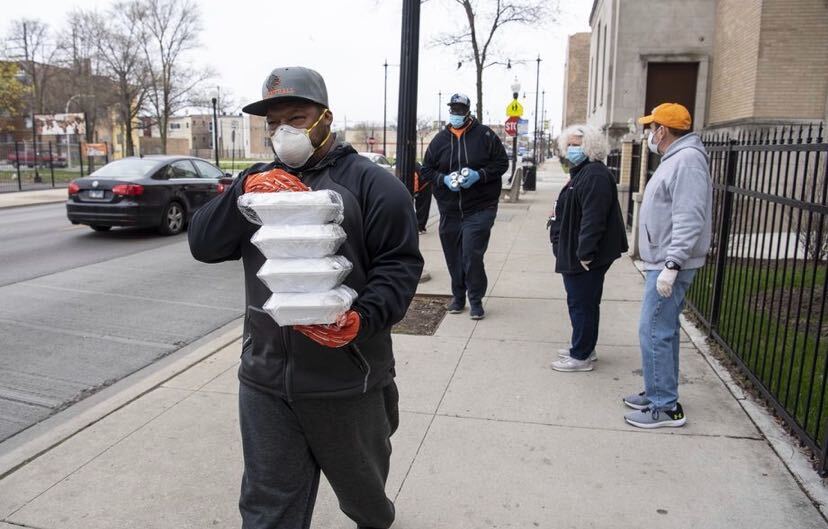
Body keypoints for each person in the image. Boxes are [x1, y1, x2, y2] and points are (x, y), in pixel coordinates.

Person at [188, 66, 424, 529]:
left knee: (365, 500)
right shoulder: (255, 186)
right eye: (274, 122)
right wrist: (242, 191)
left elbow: (399, 266)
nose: (284, 131)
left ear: (325, 118)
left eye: (297, 117)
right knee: (266, 506)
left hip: (347, 381)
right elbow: (203, 244)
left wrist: (363, 318)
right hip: (266, 380)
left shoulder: (373, 185)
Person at [623, 102, 712, 428]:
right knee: (662, 330)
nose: (648, 133)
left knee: (654, 330)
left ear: (662, 130)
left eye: (651, 128)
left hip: (669, 263)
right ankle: (658, 390)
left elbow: (689, 217)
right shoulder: (677, 159)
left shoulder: (686, 162)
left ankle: (665, 407)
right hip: (662, 260)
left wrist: (672, 264)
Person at [420, 93, 509, 320]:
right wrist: (444, 180)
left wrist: (479, 175)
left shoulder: (485, 135)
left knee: (471, 255)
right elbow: (426, 170)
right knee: (453, 256)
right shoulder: (439, 140)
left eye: (460, 110)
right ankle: (458, 297)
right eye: (453, 109)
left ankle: (475, 300)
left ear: (468, 111)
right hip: (449, 210)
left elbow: (501, 163)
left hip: (480, 208)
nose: (456, 114)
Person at [548, 124, 628, 372]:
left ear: (590, 146)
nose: (572, 149)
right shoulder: (583, 171)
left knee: (581, 302)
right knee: (585, 302)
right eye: (569, 144)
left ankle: (580, 356)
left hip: (585, 256)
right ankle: (584, 346)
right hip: (578, 250)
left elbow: (594, 218)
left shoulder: (593, 174)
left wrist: (585, 254)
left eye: (577, 145)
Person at [413, 161, 432, 233]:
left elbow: (415, 179)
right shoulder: (415, 164)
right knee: (424, 208)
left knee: (421, 207)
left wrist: (415, 192)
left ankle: (419, 227)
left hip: (423, 187)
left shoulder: (411, 166)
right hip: (426, 185)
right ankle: (421, 227)